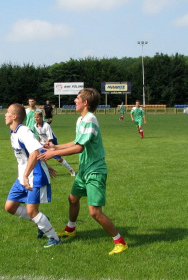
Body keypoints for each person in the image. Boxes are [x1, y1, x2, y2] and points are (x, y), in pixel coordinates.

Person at [38, 88, 128, 255]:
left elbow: (79, 148)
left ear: (85, 102)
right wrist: (55, 146)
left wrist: (53, 153)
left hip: (95, 171)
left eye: (77, 98)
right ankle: (70, 229)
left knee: (95, 212)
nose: (74, 101)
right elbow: (76, 141)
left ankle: (120, 242)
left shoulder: (90, 120)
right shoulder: (81, 120)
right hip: (85, 169)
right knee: (73, 199)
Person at [3, 103, 61, 248]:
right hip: (23, 176)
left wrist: (26, 175)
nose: (5, 114)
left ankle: (54, 238)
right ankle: (41, 220)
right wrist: (46, 165)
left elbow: (35, 152)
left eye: (7, 112)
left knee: (31, 210)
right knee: (10, 207)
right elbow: (34, 151)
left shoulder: (24, 132)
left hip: (35, 176)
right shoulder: (14, 132)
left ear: (14, 117)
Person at [34, 111, 76, 176]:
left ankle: (71, 170)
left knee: (59, 159)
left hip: (52, 143)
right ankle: (44, 172)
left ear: (41, 117)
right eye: (35, 117)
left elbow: (50, 138)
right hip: (43, 143)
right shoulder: (35, 126)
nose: (36, 119)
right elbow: (40, 136)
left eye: (38, 117)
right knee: (40, 156)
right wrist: (39, 143)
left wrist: (46, 143)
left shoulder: (46, 126)